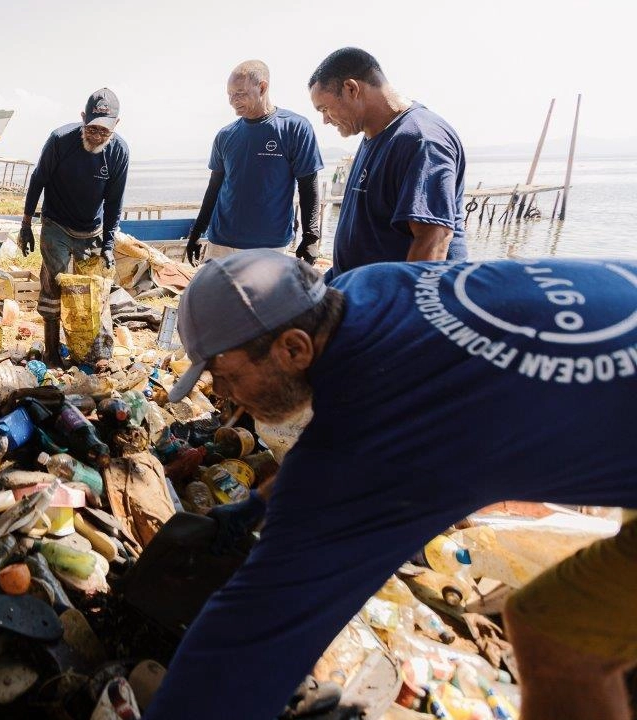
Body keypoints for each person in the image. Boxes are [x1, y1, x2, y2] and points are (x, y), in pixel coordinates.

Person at [147, 249, 637, 719]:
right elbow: (338, 435)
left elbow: (253, 636)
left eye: (225, 376)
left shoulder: (400, 425)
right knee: (554, 627)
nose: (224, 395)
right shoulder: (366, 288)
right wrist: (259, 503)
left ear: (294, 347)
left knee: (563, 654)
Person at [308, 47, 467, 278]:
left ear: (351, 89)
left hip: (395, 302)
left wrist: (403, 309)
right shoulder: (372, 135)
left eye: (325, 108)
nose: (324, 120)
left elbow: (434, 239)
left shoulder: (421, 140)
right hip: (362, 293)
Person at [19, 88, 130, 364]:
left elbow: (114, 202)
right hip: (56, 223)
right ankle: (52, 350)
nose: (96, 136)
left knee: (91, 290)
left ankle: (88, 351)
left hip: (90, 229)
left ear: (116, 125)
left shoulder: (118, 153)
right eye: (91, 128)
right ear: (83, 118)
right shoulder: (60, 140)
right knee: (54, 283)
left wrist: (108, 245)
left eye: (104, 131)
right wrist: (25, 223)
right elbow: (38, 180)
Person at [184, 60, 324, 266]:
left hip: (269, 245)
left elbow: (308, 185)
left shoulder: (295, 128)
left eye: (240, 93)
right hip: (221, 242)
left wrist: (311, 237)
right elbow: (214, 188)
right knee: (216, 298)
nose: (233, 101)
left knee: (263, 299)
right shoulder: (225, 135)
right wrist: (197, 231)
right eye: (230, 95)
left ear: (262, 87)